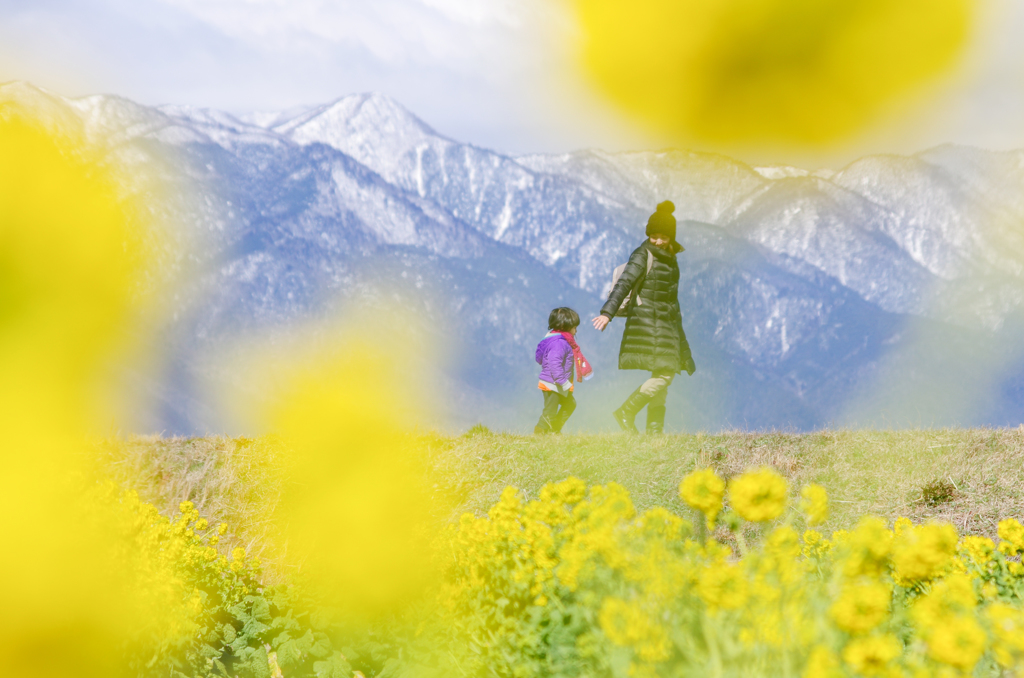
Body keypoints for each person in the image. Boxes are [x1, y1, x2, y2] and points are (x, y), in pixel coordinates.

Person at [592, 201, 695, 434]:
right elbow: (624, 283)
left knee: (662, 373)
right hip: (649, 322)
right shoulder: (642, 254)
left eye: (664, 237)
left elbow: (671, 301)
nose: (658, 241)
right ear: (649, 235)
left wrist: (682, 340)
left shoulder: (671, 260)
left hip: (666, 323)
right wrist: (607, 313)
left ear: (671, 238)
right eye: (654, 236)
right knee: (666, 372)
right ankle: (627, 411)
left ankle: (654, 431)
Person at [535, 307, 592, 434]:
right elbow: (554, 364)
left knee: (569, 404)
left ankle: (553, 429)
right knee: (550, 411)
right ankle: (539, 434)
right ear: (564, 325)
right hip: (553, 384)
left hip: (555, 383)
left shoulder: (554, 340)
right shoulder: (559, 343)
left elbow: (539, 358)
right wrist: (563, 382)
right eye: (574, 327)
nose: (576, 330)